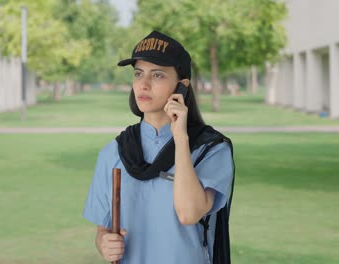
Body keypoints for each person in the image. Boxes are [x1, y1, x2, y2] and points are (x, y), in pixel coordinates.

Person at [83, 31, 234, 264]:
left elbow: (189, 213)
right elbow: (102, 230)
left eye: (158, 75)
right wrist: (104, 243)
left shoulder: (210, 149)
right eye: (138, 74)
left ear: (182, 87)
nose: (143, 84)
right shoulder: (114, 152)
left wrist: (180, 138)